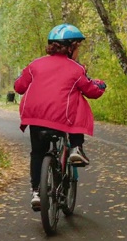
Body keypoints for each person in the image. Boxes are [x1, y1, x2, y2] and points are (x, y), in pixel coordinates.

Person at [14, 23, 106, 209]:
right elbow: (91, 92)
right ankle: (76, 148)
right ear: (70, 47)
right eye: (78, 47)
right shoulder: (76, 68)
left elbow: (19, 87)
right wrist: (100, 85)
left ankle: (37, 193)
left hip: (34, 117)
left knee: (37, 153)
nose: (78, 51)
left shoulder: (35, 65)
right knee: (77, 100)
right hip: (62, 119)